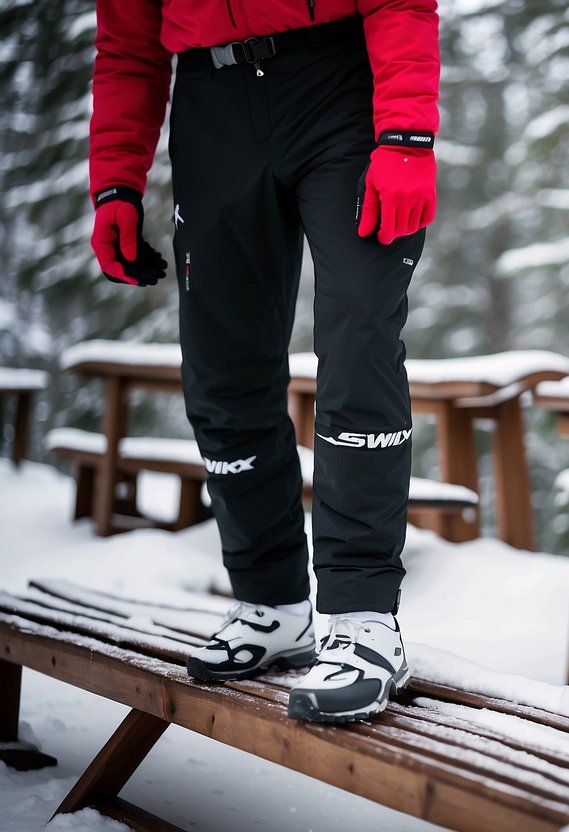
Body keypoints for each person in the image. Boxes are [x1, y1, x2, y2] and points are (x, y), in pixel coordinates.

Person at [88, 0, 439, 723]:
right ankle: (272, 601)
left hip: (341, 86)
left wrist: (406, 135)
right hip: (211, 105)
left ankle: (363, 618)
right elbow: (126, 44)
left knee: (359, 348)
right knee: (223, 368)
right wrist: (116, 181)